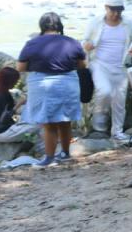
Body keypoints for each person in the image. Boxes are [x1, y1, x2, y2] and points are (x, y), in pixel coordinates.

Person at [17, 12, 87, 167]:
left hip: (43, 85)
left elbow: (20, 67)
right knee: (65, 120)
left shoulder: (33, 43)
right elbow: (82, 65)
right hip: (68, 83)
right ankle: (65, 154)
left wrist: (39, 64)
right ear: (59, 26)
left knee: (48, 123)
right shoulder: (72, 42)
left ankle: (49, 158)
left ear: (41, 26)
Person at [83, 0, 132, 140]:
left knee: (119, 99)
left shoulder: (129, 24)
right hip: (99, 64)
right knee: (104, 91)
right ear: (106, 8)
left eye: (119, 10)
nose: (116, 14)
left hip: (121, 66)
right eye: (113, 10)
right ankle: (99, 126)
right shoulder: (96, 22)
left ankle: (117, 132)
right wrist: (87, 45)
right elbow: (85, 41)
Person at [0, 67, 38, 143]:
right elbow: (4, 119)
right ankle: (42, 148)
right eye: (15, 81)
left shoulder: (0, 91)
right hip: (2, 133)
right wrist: (19, 104)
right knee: (39, 125)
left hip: (2, 128)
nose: (16, 83)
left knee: (31, 117)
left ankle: (29, 141)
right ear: (8, 81)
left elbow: (10, 112)